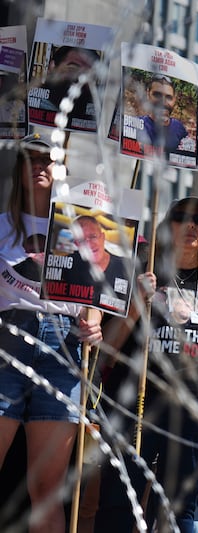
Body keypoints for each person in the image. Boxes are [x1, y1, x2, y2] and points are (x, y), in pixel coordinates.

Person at [98, 196, 198, 533]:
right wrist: (135, 305)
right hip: (140, 400)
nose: (192, 225)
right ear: (168, 227)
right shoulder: (141, 271)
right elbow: (108, 348)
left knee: (183, 510)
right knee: (121, 498)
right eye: (182, 217)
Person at [0, 133, 102, 533]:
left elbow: (97, 291)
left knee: (47, 488)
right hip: (8, 339)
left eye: (49, 159)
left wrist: (94, 319)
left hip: (63, 347)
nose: (40, 166)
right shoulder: (3, 225)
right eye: (31, 158)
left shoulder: (84, 228)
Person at [63, 215, 131, 312]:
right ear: (77, 244)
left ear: (103, 237)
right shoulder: (68, 265)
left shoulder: (127, 267)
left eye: (93, 237)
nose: (89, 245)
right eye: (81, 240)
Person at [35, 46, 100, 115]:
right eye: (73, 69)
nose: (81, 79)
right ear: (52, 66)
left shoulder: (96, 109)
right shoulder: (33, 101)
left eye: (89, 75)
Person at [136, 74, 189, 155]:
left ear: (174, 100)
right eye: (157, 95)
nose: (163, 102)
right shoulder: (136, 126)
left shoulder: (179, 127)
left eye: (168, 97)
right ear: (147, 94)